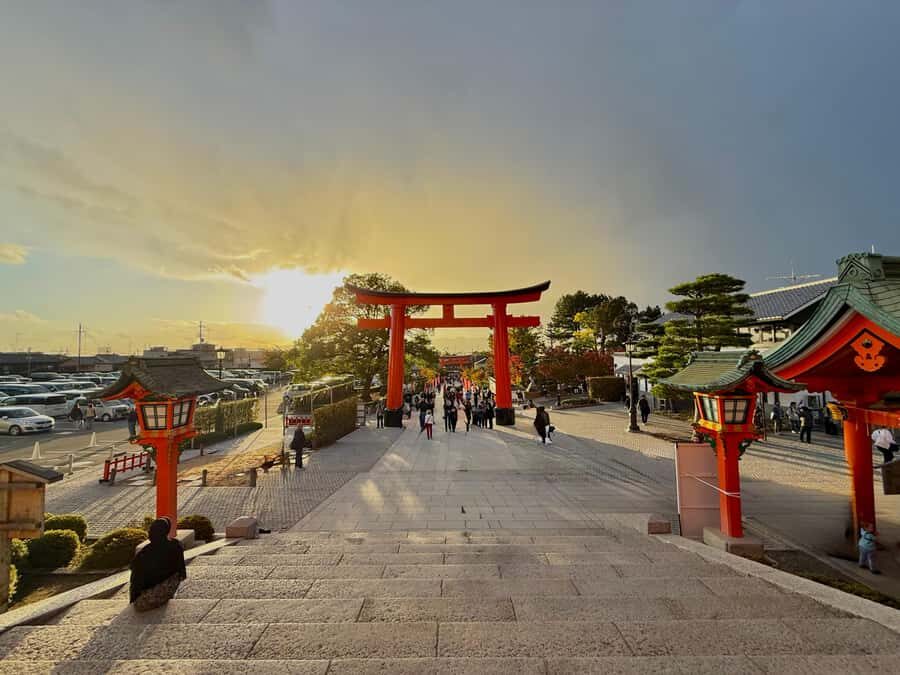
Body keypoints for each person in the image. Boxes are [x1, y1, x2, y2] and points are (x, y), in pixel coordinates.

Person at [129, 517, 187, 611]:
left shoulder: (143, 553)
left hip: (141, 601)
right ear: (166, 530)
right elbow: (182, 573)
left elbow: (135, 580)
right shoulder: (175, 545)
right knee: (175, 573)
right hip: (165, 592)